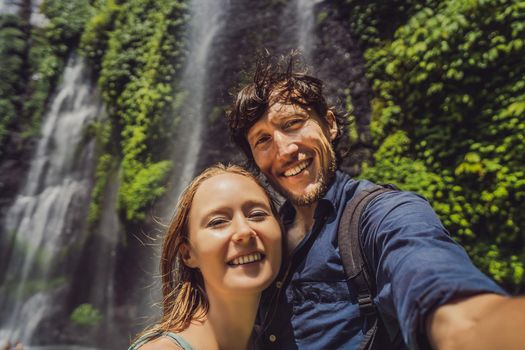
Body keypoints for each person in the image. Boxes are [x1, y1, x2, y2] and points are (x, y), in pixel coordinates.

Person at [226, 54, 525, 350]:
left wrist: (476, 328)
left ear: (329, 124)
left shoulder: (384, 214)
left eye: (293, 122)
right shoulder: (261, 238)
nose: (283, 150)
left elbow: (447, 300)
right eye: (262, 140)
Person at [129, 164, 282, 350]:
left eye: (257, 214)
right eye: (218, 222)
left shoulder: (278, 341)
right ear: (187, 253)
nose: (244, 231)